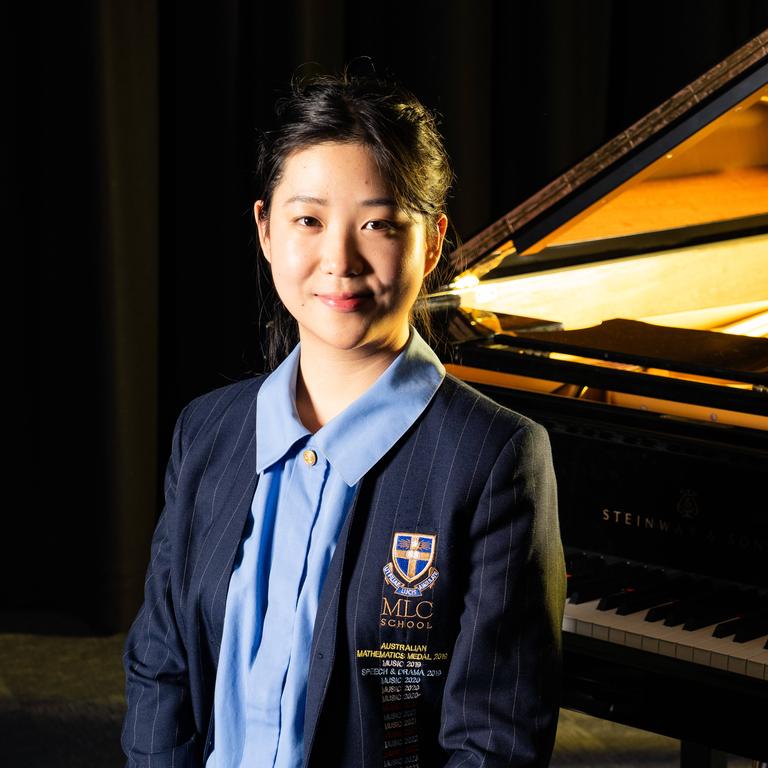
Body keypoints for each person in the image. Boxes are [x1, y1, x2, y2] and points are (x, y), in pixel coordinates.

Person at [122, 71, 564, 768]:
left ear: (432, 242)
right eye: (308, 220)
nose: (340, 260)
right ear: (265, 230)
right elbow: (161, 667)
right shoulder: (206, 431)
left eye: (378, 224)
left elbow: (493, 744)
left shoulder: (495, 458)